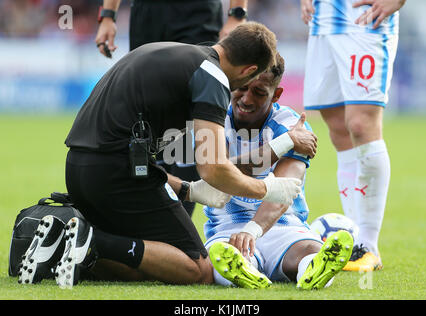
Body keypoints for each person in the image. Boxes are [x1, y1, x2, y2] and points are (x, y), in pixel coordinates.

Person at [18, 23, 318, 288]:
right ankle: (91, 240)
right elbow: (213, 169)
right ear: (249, 70)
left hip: (83, 167)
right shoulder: (212, 77)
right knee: (197, 267)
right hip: (117, 175)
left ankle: (62, 249)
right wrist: (266, 188)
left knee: (151, 261)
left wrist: (188, 190)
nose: (241, 95)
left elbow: (145, 158)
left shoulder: (174, 53)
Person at [204, 54, 353, 290]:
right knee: (226, 254)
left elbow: (285, 189)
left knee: (310, 250)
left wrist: (252, 230)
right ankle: (245, 269)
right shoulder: (213, 119)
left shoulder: (293, 125)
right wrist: (285, 143)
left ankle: (313, 268)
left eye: (259, 92)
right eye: (242, 88)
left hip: (282, 225)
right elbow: (218, 170)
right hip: (227, 226)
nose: (246, 99)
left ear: (276, 95)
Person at [95, 0, 250, 216]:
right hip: (147, 16)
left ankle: (178, 220)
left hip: (198, 15)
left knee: (192, 109)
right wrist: (108, 15)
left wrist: (237, 14)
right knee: (146, 113)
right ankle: (151, 212)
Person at [300, 0, 406, 272]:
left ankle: (369, 243)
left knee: (360, 124)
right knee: (337, 126)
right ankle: (356, 240)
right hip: (323, 20)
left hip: (365, 19)